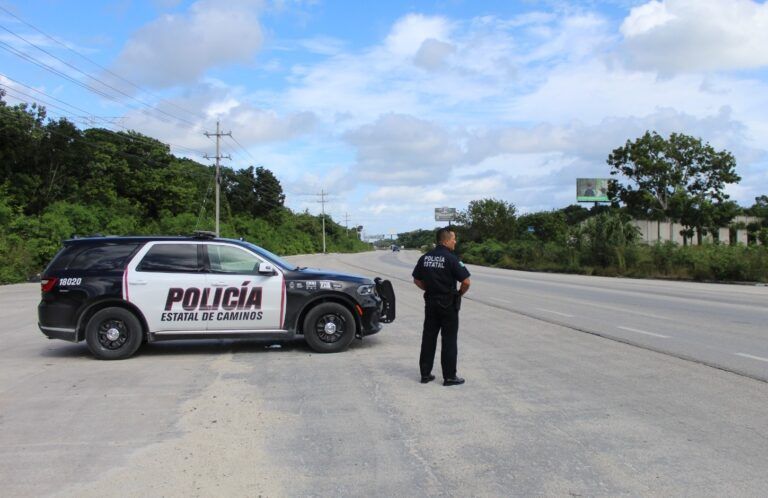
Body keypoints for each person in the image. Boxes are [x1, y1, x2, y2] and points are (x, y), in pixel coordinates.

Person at [412, 227, 471, 386]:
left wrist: (430, 289)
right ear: (446, 240)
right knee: (449, 340)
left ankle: (425, 374)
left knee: (428, 337)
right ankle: (449, 377)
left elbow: (417, 279)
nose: (455, 242)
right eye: (454, 239)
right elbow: (466, 282)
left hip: (431, 302)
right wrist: (458, 294)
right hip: (448, 304)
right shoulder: (452, 258)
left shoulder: (425, 257)